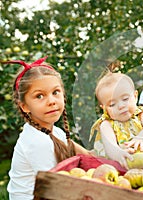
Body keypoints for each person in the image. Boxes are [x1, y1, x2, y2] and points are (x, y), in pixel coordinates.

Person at [4, 57, 91, 200]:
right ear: (24, 106)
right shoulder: (36, 142)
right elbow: (55, 190)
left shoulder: (55, 132)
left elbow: (87, 155)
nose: (51, 101)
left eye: (55, 92)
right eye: (39, 96)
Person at [89, 66, 143, 169]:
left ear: (135, 96)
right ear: (104, 108)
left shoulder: (141, 114)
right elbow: (110, 146)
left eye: (125, 99)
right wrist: (118, 154)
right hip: (122, 171)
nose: (121, 106)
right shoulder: (106, 124)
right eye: (112, 104)